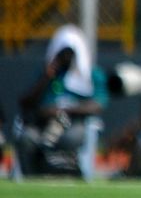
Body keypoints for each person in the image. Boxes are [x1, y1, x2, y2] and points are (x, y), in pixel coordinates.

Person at [15, 24, 109, 176]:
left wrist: (64, 110)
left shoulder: (91, 75)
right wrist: (46, 78)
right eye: (62, 53)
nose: (66, 57)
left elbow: (98, 104)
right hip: (41, 124)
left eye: (70, 53)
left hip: (73, 124)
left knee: (71, 138)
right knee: (28, 138)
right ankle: (32, 180)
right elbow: (25, 103)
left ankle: (65, 174)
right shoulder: (45, 74)